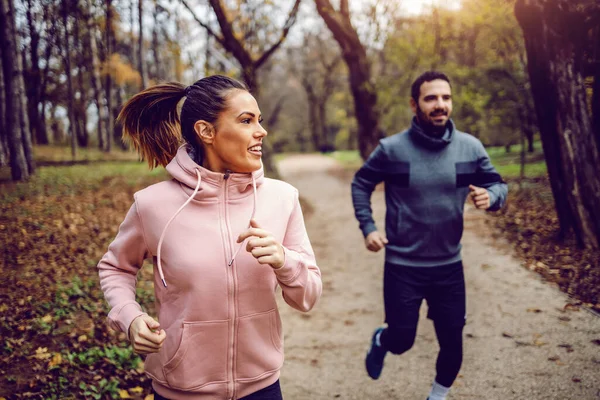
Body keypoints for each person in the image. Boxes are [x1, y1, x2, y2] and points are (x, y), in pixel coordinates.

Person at [97, 75, 322, 400]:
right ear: (206, 131)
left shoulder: (282, 198)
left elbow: (308, 296)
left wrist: (284, 261)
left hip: (261, 388)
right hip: (180, 390)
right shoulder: (152, 206)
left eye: (259, 120)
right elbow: (115, 268)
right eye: (246, 120)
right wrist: (130, 318)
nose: (261, 131)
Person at [351, 71, 507, 400]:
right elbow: (361, 183)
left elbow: (497, 184)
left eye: (446, 98)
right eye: (431, 98)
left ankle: (436, 396)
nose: (440, 105)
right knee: (402, 340)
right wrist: (369, 228)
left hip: (449, 267)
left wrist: (491, 198)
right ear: (414, 104)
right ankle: (382, 341)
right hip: (403, 266)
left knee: (453, 343)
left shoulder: (470, 147)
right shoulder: (391, 150)